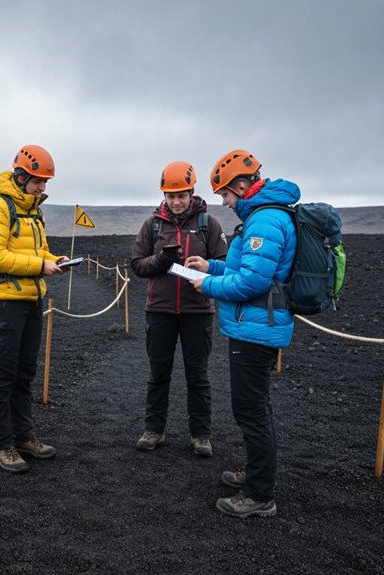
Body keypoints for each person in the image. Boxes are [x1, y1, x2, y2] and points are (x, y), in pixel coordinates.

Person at [184, 149, 298, 518]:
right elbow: (245, 267)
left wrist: (208, 285)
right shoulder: (264, 216)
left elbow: (251, 281)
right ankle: (255, 475)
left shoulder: (264, 220)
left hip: (256, 330)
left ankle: (260, 495)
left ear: (242, 185)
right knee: (254, 407)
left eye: (226, 195)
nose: (225, 203)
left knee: (251, 411)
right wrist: (211, 266)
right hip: (254, 326)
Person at [0, 144, 68, 474]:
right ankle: (0, 445)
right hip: (3, 302)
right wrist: (39, 266)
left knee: (24, 373)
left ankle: (24, 436)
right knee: (3, 374)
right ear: (21, 176)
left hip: (32, 300)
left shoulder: (33, 212)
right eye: (38, 182)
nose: (43, 188)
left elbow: (40, 250)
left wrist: (55, 261)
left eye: (45, 182)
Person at [130, 161, 228, 457]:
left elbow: (225, 266)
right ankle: (154, 430)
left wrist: (206, 272)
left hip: (197, 312)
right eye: (171, 196)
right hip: (159, 311)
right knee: (158, 374)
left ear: (191, 193)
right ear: (163, 195)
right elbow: (137, 264)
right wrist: (161, 259)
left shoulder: (208, 225)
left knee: (197, 375)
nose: (176, 202)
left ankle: (201, 435)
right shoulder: (153, 225)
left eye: (181, 196)